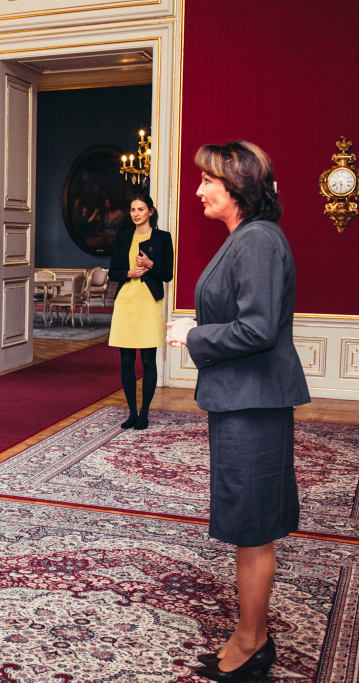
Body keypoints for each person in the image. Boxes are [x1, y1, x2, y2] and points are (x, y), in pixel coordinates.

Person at [166, 141, 310, 682]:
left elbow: (258, 328)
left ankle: (252, 642)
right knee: (247, 520)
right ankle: (251, 633)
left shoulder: (257, 242)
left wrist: (194, 333)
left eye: (208, 181)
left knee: (252, 525)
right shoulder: (246, 239)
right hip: (242, 399)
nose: (199, 189)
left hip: (254, 403)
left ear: (237, 188)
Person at [107, 193, 173, 430]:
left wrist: (149, 265)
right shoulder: (123, 238)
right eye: (133, 209)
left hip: (149, 303)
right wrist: (128, 273)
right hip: (126, 302)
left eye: (141, 209)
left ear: (151, 212)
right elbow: (112, 272)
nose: (136, 213)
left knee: (147, 359)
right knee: (126, 360)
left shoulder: (163, 238)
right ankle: (132, 412)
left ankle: (144, 413)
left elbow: (167, 274)